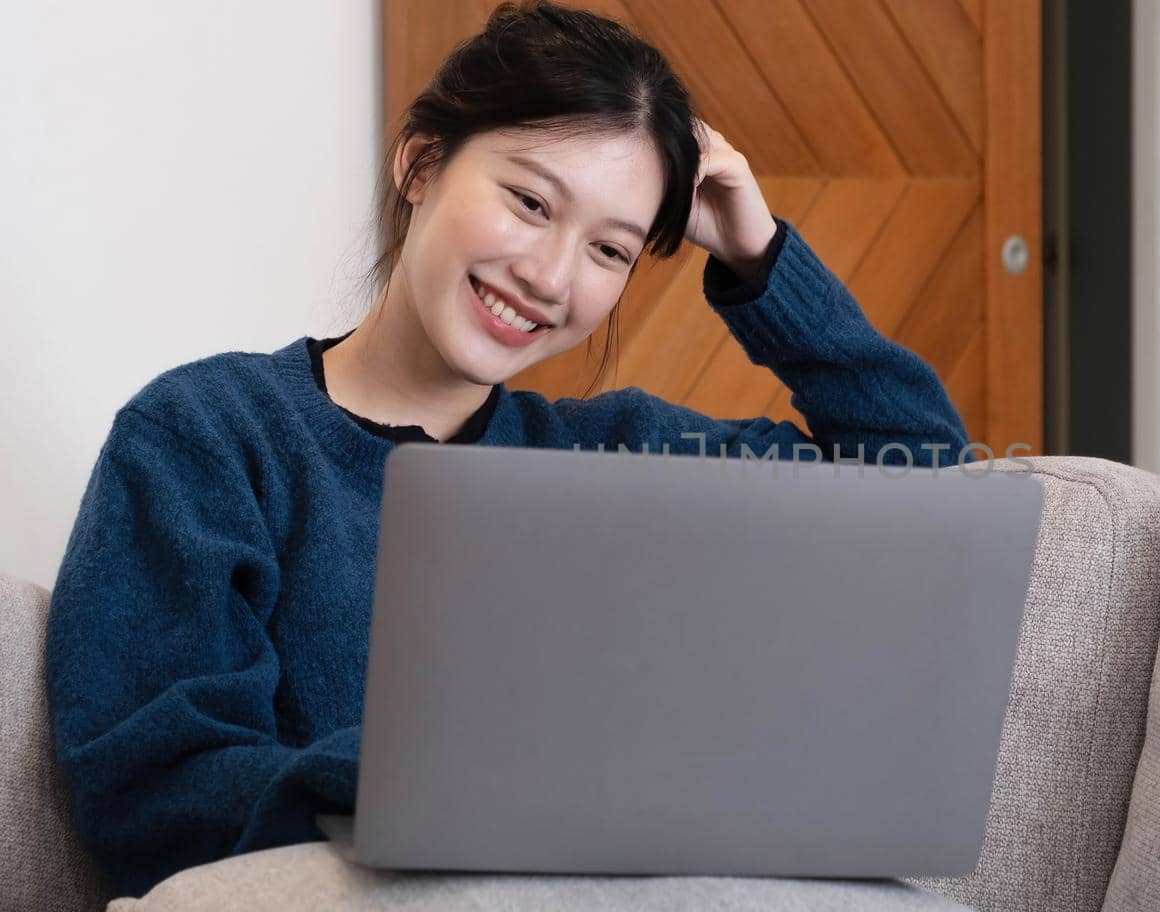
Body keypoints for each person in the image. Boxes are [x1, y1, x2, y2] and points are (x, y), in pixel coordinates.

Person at [45, 0, 970, 898]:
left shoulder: (614, 455)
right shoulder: (207, 436)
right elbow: (159, 798)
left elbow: (922, 475)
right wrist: (464, 782)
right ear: (420, 164)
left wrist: (756, 255)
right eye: (530, 201)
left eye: (609, 251)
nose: (551, 276)